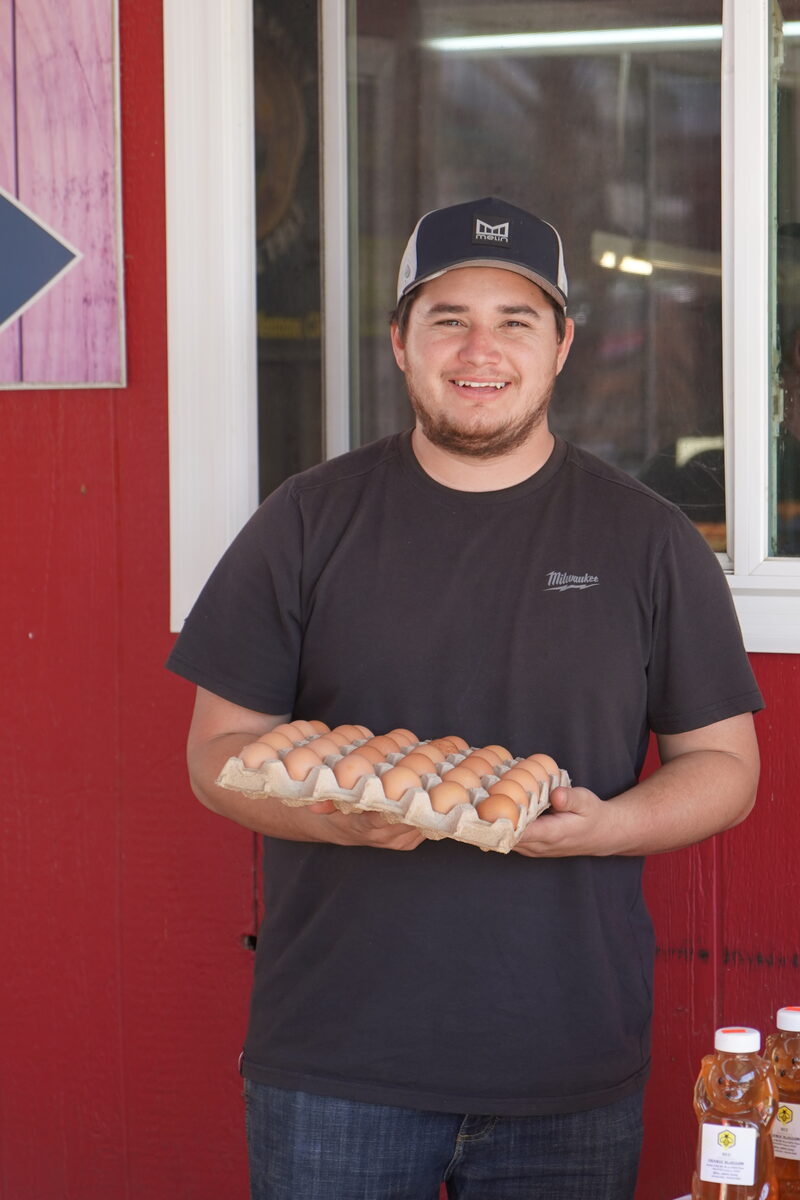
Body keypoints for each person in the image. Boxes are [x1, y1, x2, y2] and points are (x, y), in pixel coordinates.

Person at [167, 196, 763, 1200]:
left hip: (565, 1064)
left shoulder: (647, 541)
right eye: (447, 318)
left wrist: (605, 828)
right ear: (400, 343)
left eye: (514, 320)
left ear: (561, 345)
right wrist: (337, 818)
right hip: (336, 1061)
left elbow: (725, 767)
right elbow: (217, 749)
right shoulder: (306, 522)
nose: (477, 349)